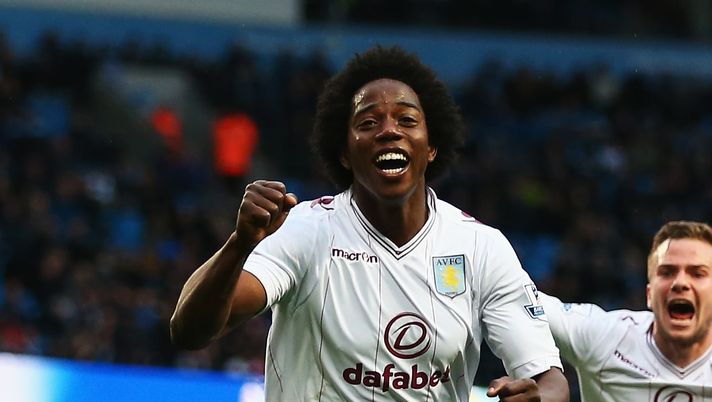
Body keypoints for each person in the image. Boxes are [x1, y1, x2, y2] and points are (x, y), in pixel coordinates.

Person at [170, 45, 568, 401]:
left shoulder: (481, 247)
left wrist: (539, 398)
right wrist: (240, 243)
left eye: (407, 120)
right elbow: (190, 331)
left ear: (431, 146)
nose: (389, 131)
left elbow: (550, 381)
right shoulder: (305, 230)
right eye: (368, 123)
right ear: (344, 153)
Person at [541, 220, 712, 401]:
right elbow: (524, 300)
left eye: (698, 273)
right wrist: (541, 377)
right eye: (667, 272)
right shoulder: (605, 339)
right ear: (649, 295)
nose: (680, 283)